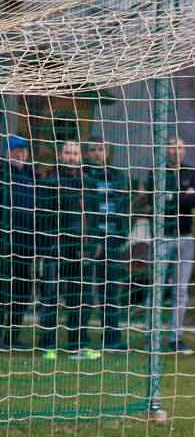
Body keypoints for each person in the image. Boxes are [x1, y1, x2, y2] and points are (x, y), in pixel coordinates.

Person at [39, 140, 97, 360]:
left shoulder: (89, 183)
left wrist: (94, 243)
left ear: (80, 156)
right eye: (68, 153)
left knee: (81, 299)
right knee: (52, 297)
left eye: (75, 153)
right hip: (57, 248)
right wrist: (47, 245)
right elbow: (43, 217)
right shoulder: (52, 182)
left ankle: (77, 345)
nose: (72, 157)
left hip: (83, 250)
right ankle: (48, 346)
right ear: (61, 155)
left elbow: (93, 217)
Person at [148, 136, 195, 354]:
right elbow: (159, 200)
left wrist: (175, 197)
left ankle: (175, 339)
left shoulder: (190, 172)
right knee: (157, 288)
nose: (176, 151)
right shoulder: (157, 173)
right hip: (162, 237)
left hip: (185, 237)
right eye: (172, 147)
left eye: (180, 147)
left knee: (180, 290)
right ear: (166, 151)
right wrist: (184, 196)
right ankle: (150, 338)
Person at [83, 137, 130, 351]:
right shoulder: (83, 176)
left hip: (112, 241)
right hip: (90, 241)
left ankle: (112, 339)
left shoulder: (117, 176)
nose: (96, 153)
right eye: (92, 150)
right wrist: (92, 239)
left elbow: (125, 208)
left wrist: (122, 234)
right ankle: (79, 340)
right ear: (87, 153)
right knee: (83, 291)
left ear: (107, 152)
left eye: (100, 149)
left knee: (109, 292)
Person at [0, 136, 37, 350]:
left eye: (23, 150)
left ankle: (12, 337)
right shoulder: (3, 174)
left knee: (21, 291)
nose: (20, 153)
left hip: (26, 245)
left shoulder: (31, 176)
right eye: (15, 150)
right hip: (5, 244)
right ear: (8, 152)